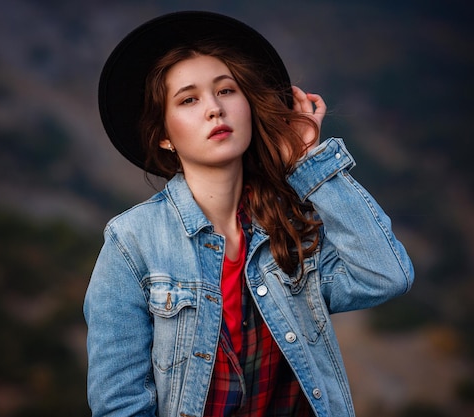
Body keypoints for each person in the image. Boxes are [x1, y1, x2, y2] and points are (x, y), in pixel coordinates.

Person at [84, 11, 414, 417]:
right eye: (189, 99)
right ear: (164, 136)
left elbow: (386, 275)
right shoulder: (132, 242)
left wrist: (307, 160)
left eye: (226, 91)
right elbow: (119, 404)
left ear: (249, 106)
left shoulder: (290, 228)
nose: (214, 110)